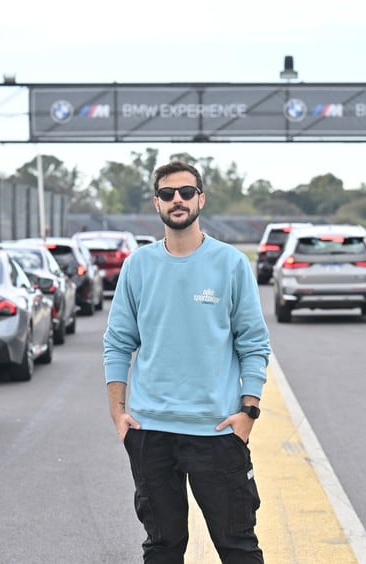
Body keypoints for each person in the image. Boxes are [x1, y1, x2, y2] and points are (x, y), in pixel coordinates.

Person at [103, 160, 271, 563]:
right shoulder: (137, 266)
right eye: (167, 194)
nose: (177, 200)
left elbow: (254, 342)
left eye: (185, 192)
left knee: (239, 549)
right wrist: (118, 415)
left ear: (201, 198)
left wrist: (249, 410)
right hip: (150, 432)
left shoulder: (230, 263)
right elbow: (117, 343)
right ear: (156, 203)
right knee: (162, 548)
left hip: (216, 431)